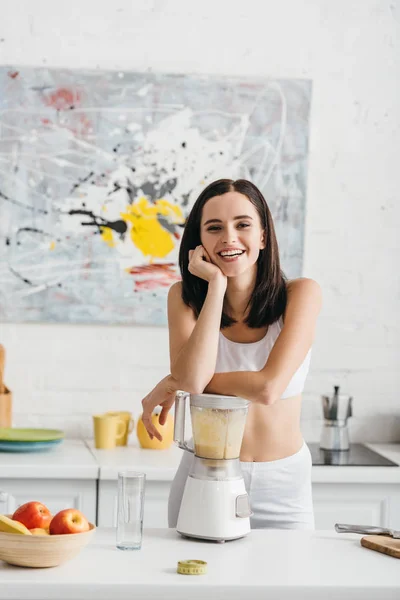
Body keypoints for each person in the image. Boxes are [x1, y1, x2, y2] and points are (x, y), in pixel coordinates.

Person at [140, 178, 322, 530]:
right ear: (199, 243)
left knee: (290, 583)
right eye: (214, 228)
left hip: (284, 482)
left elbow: (268, 388)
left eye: (243, 225)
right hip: (205, 476)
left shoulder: (302, 295)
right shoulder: (184, 299)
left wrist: (171, 382)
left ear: (264, 237)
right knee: (195, 581)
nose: (229, 238)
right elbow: (192, 381)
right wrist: (216, 288)